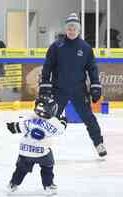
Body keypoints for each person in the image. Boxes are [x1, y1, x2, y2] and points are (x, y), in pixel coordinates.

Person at [39, 13, 107, 157]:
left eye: (74, 28)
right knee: (49, 117)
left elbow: (92, 68)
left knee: (88, 117)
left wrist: (95, 85)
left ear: (79, 30)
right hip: (59, 90)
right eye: (69, 28)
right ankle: (40, 143)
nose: (71, 31)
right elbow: (47, 67)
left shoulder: (86, 48)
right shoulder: (56, 46)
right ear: (66, 30)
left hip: (79, 90)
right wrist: (45, 85)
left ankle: (99, 143)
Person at [6, 95, 67, 196]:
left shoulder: (28, 120)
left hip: (25, 152)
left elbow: (14, 128)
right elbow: (62, 128)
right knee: (47, 167)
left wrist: (11, 125)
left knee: (21, 170)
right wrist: (63, 119)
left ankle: (13, 184)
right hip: (43, 153)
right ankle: (48, 186)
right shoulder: (54, 123)